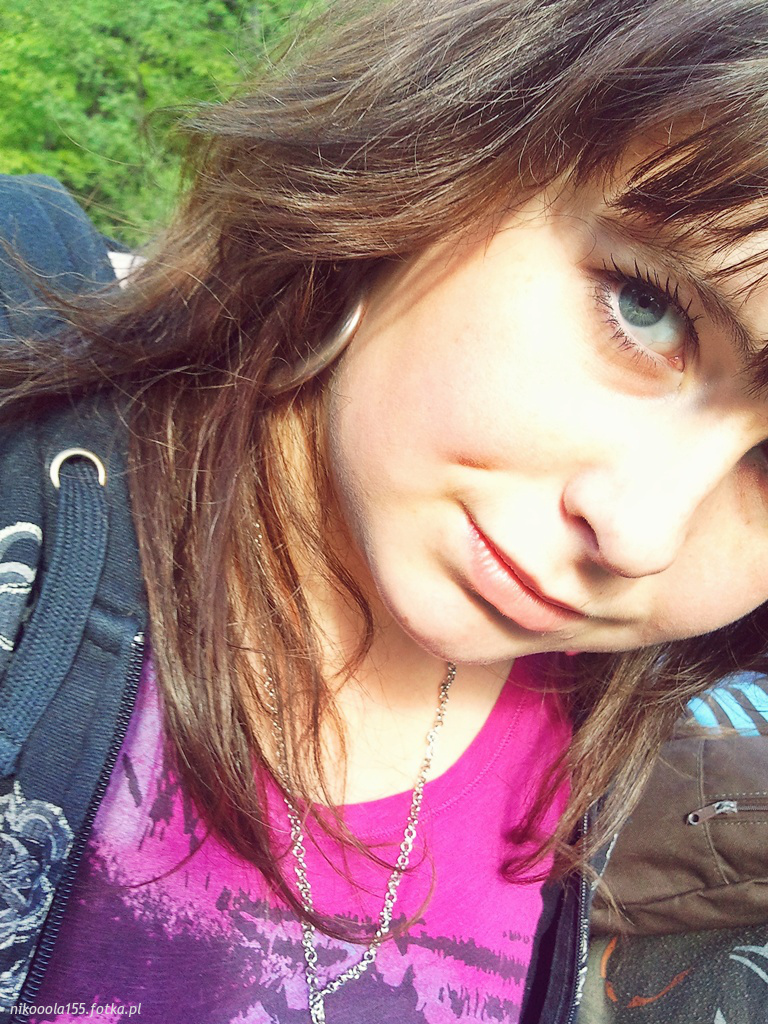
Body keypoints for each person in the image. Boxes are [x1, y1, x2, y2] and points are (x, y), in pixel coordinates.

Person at [3, 0, 768, 1021]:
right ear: (443, 157)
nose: (640, 533)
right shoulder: (30, 435)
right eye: (646, 308)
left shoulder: (603, 733)